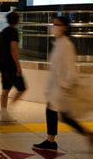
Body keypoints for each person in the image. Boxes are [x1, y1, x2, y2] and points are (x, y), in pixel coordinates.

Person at [33, 16, 93, 150]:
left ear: (64, 27)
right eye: (53, 24)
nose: (53, 26)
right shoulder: (59, 43)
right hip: (57, 87)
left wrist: (64, 87)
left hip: (61, 88)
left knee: (55, 112)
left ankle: (51, 141)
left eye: (56, 24)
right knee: (63, 116)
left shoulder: (66, 45)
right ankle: (87, 134)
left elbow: (70, 70)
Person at [0, 12, 27, 123]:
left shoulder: (4, 31)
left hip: (3, 65)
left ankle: (4, 114)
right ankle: (8, 110)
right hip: (11, 65)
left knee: (5, 89)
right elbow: (13, 49)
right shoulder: (13, 32)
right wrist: (18, 66)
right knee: (22, 88)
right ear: (17, 20)